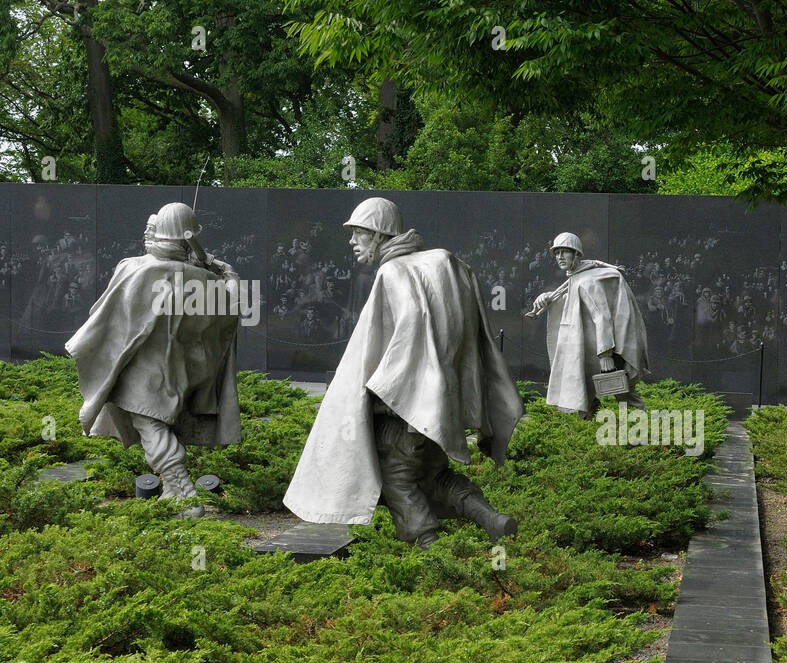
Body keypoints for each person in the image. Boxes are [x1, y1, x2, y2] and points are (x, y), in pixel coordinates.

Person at [283, 197, 522, 548]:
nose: (352, 241)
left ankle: (428, 547)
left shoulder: (392, 272)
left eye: (359, 232)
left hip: (405, 407)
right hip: (443, 405)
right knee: (435, 475)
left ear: (379, 234)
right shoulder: (447, 262)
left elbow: (407, 337)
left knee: (397, 479)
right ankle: (490, 517)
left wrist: (385, 394)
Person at [67, 203, 242, 518]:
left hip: (144, 369)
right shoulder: (205, 280)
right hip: (183, 371)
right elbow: (229, 315)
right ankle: (174, 490)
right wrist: (227, 274)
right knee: (157, 424)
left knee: (151, 425)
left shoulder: (138, 268)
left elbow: (107, 316)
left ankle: (186, 495)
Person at [527, 232, 649, 418]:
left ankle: (641, 432)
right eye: (557, 252)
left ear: (577, 254)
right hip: (586, 353)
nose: (560, 257)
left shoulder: (588, 281)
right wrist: (547, 298)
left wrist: (605, 355)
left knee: (625, 395)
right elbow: (574, 304)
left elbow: (602, 317)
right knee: (584, 398)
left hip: (603, 354)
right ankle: (585, 436)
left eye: (565, 251)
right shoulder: (576, 278)